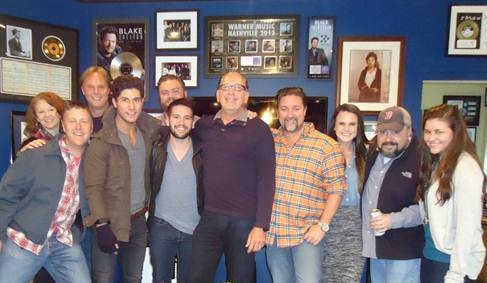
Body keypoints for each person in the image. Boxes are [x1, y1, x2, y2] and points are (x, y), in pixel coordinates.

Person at [188, 71, 276, 283]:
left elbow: (267, 179)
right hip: (208, 218)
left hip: (244, 223)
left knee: (242, 279)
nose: (232, 92)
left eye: (238, 88)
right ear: (218, 94)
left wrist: (260, 226)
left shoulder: (260, 130)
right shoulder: (203, 126)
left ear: (246, 96)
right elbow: (178, 134)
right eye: (226, 87)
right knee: (195, 277)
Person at [0, 102, 93, 283]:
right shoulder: (35, 155)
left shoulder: (94, 161)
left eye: (84, 121)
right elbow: (6, 196)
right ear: (63, 126)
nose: (79, 127)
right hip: (25, 240)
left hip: (63, 240)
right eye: (72, 121)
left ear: (91, 126)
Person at [265, 87, 346, 283]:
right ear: (277, 111)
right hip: (276, 235)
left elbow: (337, 190)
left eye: (295, 108)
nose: (290, 114)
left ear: (305, 110)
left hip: (307, 235)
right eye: (284, 109)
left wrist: (322, 226)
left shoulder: (326, 146)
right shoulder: (268, 141)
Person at [84, 75, 160, 283]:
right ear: (115, 102)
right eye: (125, 100)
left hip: (137, 223)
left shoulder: (149, 134)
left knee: (134, 278)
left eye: (136, 100)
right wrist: (101, 225)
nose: (131, 106)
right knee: (104, 278)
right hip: (109, 221)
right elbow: (93, 187)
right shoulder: (101, 141)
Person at [417, 104, 486, 282]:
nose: (431, 138)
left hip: (451, 263)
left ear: (455, 133)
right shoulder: (437, 162)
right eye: (427, 132)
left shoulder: (465, 167)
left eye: (439, 132)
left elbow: (468, 227)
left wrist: (456, 274)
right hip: (432, 256)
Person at [362, 106, 423, 283]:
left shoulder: (422, 159)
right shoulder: (373, 154)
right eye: (383, 132)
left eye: (395, 132)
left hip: (404, 252)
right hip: (376, 249)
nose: (388, 138)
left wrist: (392, 220)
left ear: (409, 132)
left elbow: (428, 209)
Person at [149, 98, 203, 283]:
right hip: (162, 226)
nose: (181, 123)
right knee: (160, 279)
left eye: (187, 118)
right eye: (176, 117)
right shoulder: (155, 147)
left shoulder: (203, 150)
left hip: (194, 229)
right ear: (167, 118)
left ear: (193, 121)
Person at [324, 103, 369, 282]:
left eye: (352, 124)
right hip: (327, 225)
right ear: (334, 126)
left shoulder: (369, 155)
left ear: (358, 128)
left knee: (350, 278)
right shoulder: (322, 153)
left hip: (356, 229)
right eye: (342, 124)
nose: (346, 129)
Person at [80, 66, 111, 132]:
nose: (96, 92)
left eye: (101, 87)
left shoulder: (121, 119)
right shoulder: (77, 120)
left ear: (108, 90)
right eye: (90, 87)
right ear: (83, 90)